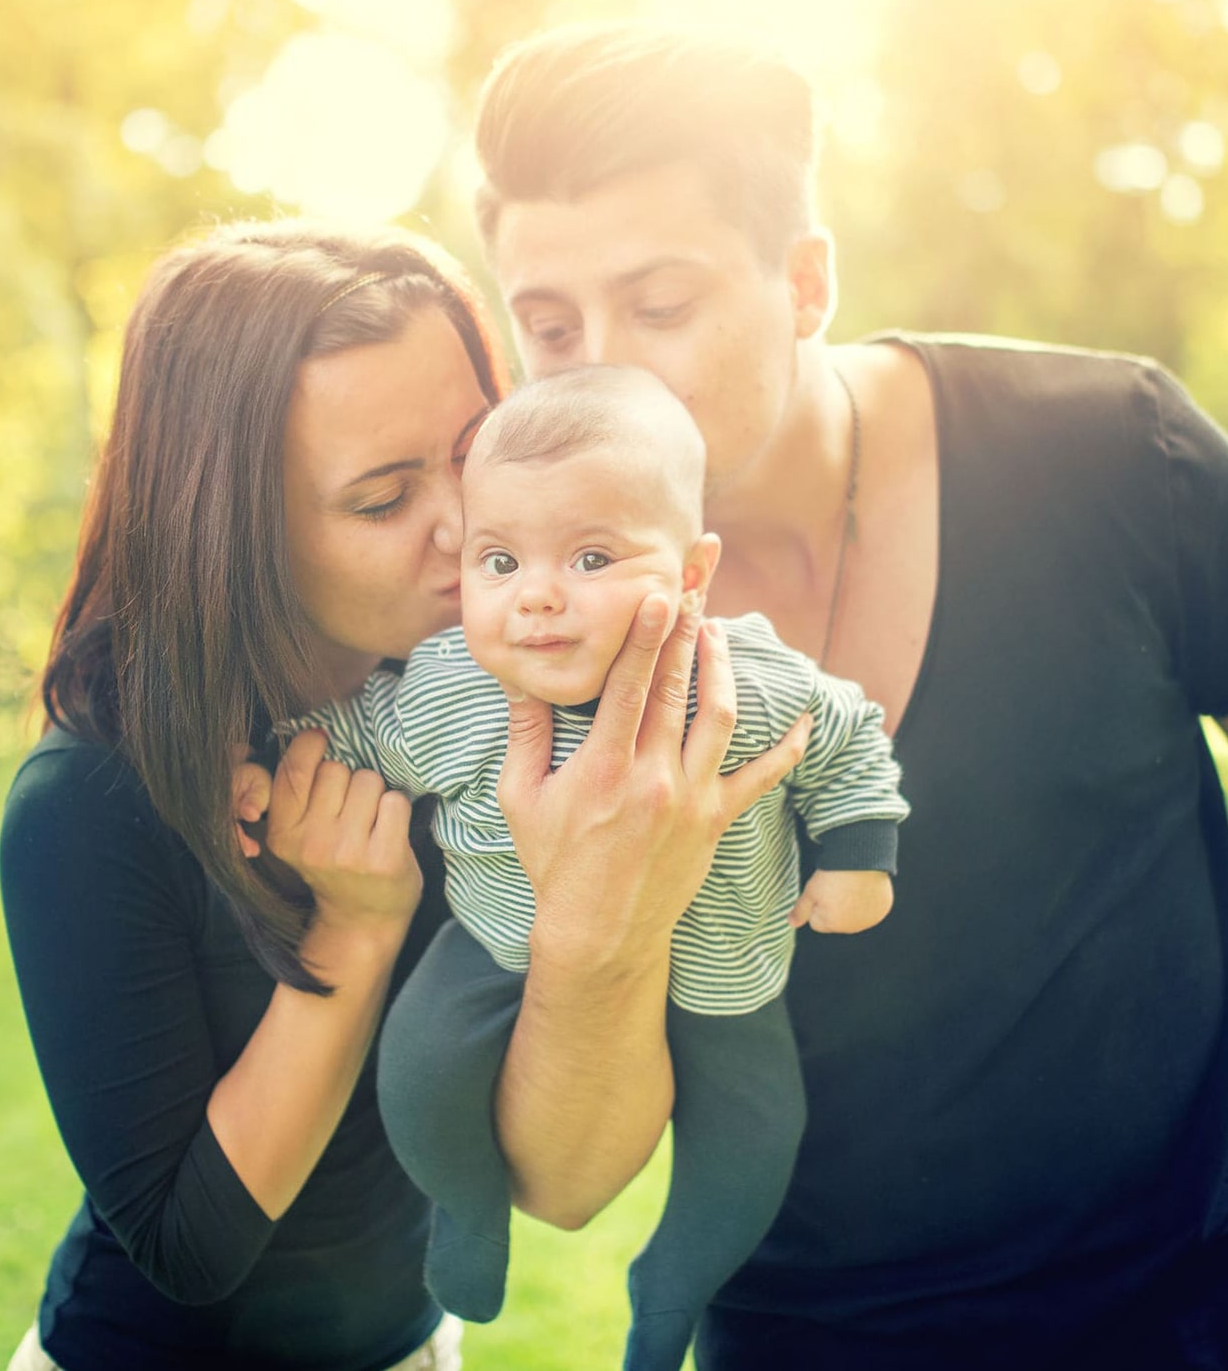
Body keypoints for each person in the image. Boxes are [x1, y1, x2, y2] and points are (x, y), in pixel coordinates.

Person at [457, 23, 1228, 1371]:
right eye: (551, 325)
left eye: (661, 305)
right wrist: (592, 914)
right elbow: (563, 1183)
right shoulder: (540, 642)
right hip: (810, 1339)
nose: (605, 370)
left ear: (804, 280)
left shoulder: (1107, 450)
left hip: (1208, 1308)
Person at [0, 218, 811, 1371]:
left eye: (472, 457)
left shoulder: (494, 707)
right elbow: (185, 1247)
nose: (467, 533)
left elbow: (559, 1188)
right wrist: (356, 934)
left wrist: (607, 908)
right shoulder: (91, 801)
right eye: (382, 501)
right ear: (231, 529)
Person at [288, 364, 906, 1371]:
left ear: (692, 571)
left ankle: (671, 1288)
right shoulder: (453, 689)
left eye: (588, 556)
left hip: (725, 973)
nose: (536, 597)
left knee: (754, 1144)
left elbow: (846, 739)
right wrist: (275, 764)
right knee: (418, 1068)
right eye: (499, 561)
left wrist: (857, 852)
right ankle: (467, 1210)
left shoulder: (745, 679)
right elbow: (354, 731)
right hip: (501, 948)